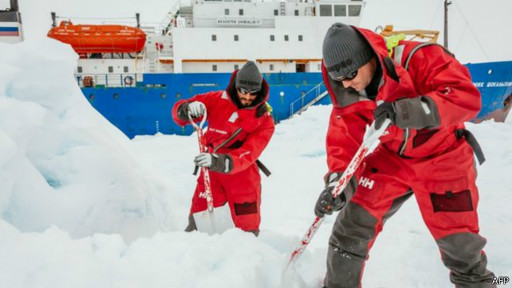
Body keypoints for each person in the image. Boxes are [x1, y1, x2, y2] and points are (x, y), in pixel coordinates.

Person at [315, 23, 496, 287]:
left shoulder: (420, 58)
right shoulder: (349, 91)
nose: (346, 83)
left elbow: (466, 98)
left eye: (351, 73)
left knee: (461, 249)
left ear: (368, 59)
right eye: (338, 78)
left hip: (443, 157)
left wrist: (406, 111)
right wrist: (338, 183)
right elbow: (344, 142)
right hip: (392, 159)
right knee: (351, 227)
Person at [172, 61, 274, 235]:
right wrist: (186, 108)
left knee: (247, 228)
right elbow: (178, 114)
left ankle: (248, 257)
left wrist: (221, 162)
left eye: (253, 93)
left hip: (242, 176)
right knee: (199, 220)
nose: (248, 97)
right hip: (211, 172)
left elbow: (249, 152)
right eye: (243, 91)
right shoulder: (216, 99)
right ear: (236, 87)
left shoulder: (265, 120)